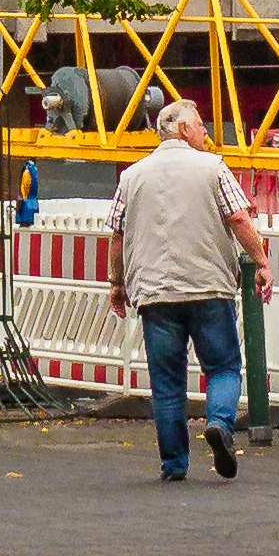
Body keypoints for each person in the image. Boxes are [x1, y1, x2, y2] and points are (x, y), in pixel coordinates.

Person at [111, 98, 254, 485]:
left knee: (167, 381)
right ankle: (220, 422)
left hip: (156, 293)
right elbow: (239, 217)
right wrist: (262, 261)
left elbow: (118, 234)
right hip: (209, 287)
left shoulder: (132, 176)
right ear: (184, 130)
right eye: (202, 127)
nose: (206, 133)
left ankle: (174, 464)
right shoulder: (213, 168)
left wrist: (117, 283)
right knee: (223, 366)